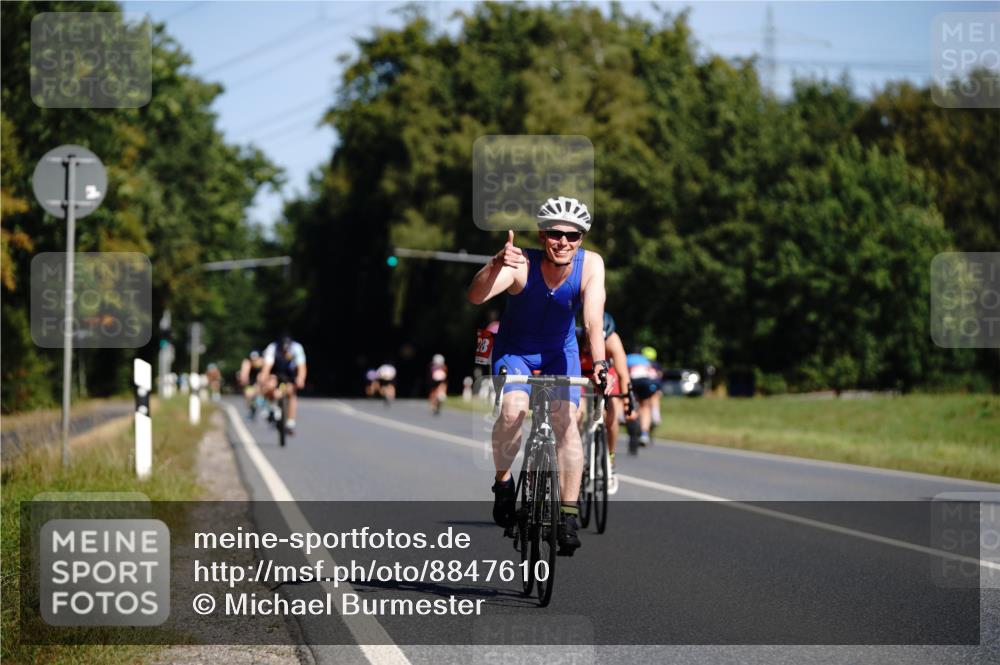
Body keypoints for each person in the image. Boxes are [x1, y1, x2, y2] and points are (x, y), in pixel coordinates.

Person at [467, 195, 609, 556]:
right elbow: (476, 296)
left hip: (562, 353)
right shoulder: (521, 265)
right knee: (514, 409)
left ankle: (568, 515)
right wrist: (496, 263)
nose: (564, 242)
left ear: (582, 238)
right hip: (516, 352)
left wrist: (602, 364)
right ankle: (503, 482)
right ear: (542, 234)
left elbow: (593, 320)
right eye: (555, 233)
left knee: (566, 423)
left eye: (573, 235)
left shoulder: (591, 265)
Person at [577, 312, 636, 494]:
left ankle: (610, 458)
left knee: (612, 413)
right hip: (581, 376)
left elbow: (623, 374)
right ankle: (576, 453)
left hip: (606, 377)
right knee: (577, 413)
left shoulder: (613, 340)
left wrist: (628, 403)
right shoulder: (576, 339)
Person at [259, 334, 307, 435]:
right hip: (275, 371)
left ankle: (290, 422)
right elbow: (267, 367)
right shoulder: (272, 348)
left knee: (291, 392)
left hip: (290, 373)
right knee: (269, 386)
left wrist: (301, 379)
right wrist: (264, 378)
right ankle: (271, 408)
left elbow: (301, 367)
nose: (285, 351)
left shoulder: (297, 348)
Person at [626, 349, 662, 448]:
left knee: (632, 402)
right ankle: (644, 433)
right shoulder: (649, 362)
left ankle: (632, 416)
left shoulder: (627, 358)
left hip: (633, 381)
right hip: (648, 382)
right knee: (645, 407)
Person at [239, 350, 265, 418]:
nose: (254, 361)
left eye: (256, 359)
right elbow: (244, 375)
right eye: (252, 359)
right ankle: (251, 408)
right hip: (251, 381)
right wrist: (244, 380)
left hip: (259, 382)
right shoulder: (247, 363)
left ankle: (262, 403)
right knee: (248, 395)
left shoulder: (263, 363)